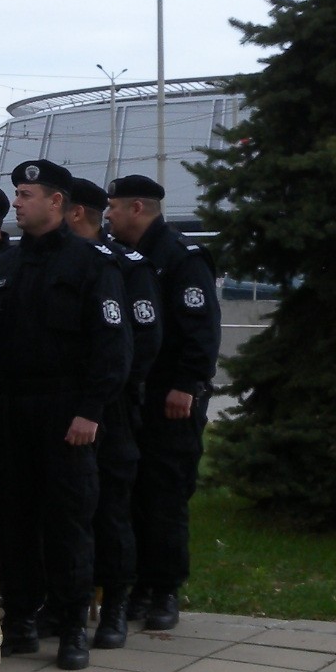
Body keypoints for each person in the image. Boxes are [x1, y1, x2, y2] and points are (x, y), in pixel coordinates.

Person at [0, 159, 130, 671]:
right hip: (14, 410)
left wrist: (91, 410)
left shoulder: (92, 264)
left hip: (68, 413)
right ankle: (20, 622)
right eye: (16, 194)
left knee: (67, 522)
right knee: (15, 522)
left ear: (57, 202)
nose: (16, 202)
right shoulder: (7, 264)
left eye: (25, 194)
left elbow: (112, 345)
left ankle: (70, 628)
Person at [107, 172, 220, 634]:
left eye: (114, 206)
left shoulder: (181, 257)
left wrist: (187, 385)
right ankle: (136, 584)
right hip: (136, 393)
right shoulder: (124, 258)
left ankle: (165, 588)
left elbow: (199, 328)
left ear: (138, 208)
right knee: (133, 492)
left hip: (171, 395)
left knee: (165, 493)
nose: (108, 214)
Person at [63, 178, 159, 650]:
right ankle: (66, 605)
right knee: (66, 512)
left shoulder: (125, 265)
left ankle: (114, 606)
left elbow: (142, 340)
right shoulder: (51, 260)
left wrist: (108, 394)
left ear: (76, 211)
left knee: (110, 511)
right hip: (62, 408)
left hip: (111, 409)